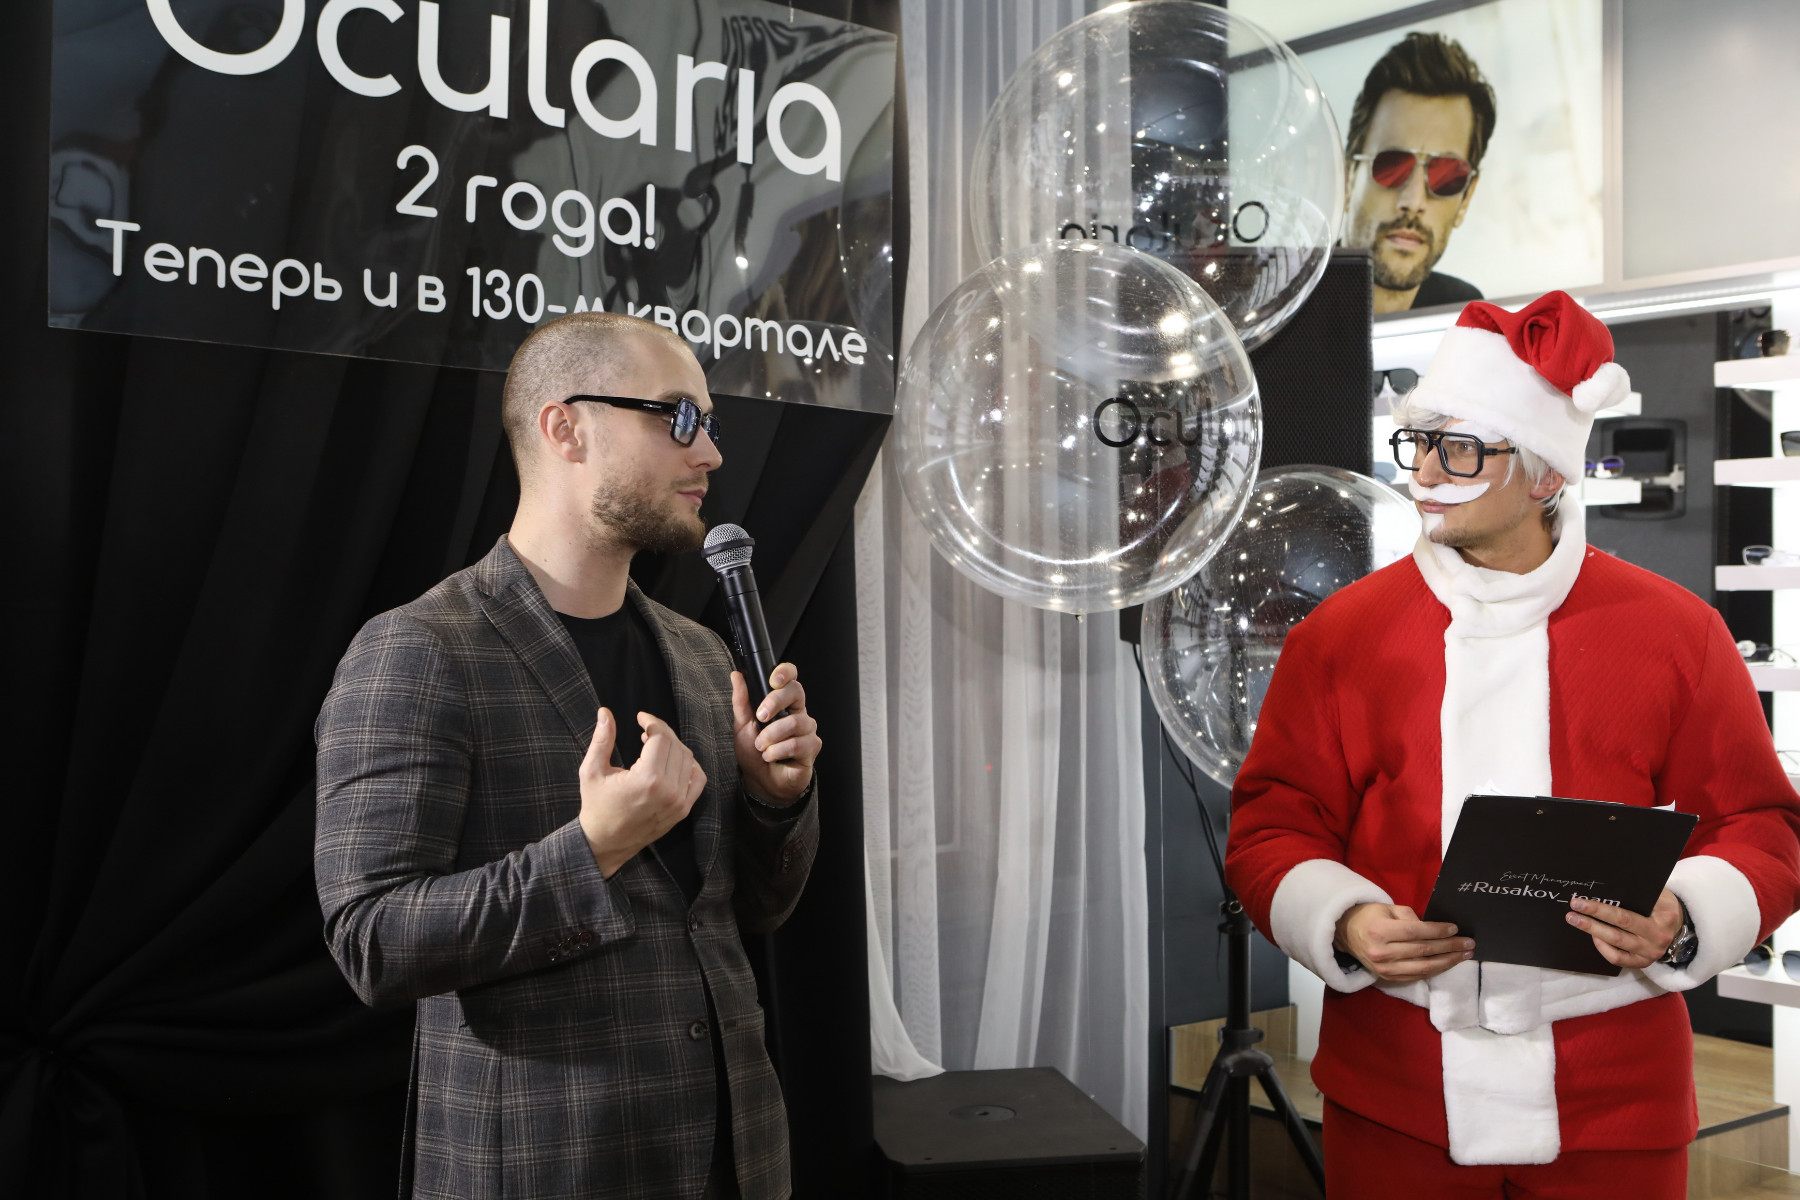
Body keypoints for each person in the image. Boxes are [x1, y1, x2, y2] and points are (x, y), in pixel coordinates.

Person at [1225, 291, 1800, 1197]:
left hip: (1612, 1102)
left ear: (1542, 476)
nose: (1424, 474)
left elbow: (1764, 828)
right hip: (1397, 1095)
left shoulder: (1677, 634)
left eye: (1460, 449)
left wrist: (1685, 914)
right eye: (1419, 442)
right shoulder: (1338, 637)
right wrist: (1341, 920)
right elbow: (1272, 826)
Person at [313, 312, 822, 1200]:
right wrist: (591, 852)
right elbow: (374, 942)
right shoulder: (421, 649)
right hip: (548, 1166)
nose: (709, 454)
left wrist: (773, 800)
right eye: (677, 417)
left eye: (709, 423)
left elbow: (748, 913)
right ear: (565, 428)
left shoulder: (702, 655)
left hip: (737, 1158)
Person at [1340, 32, 1495, 314]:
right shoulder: (1279, 309)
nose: (1413, 201)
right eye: (1392, 167)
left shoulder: (1462, 313)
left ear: (1466, 199)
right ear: (1348, 177)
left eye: (1446, 176)